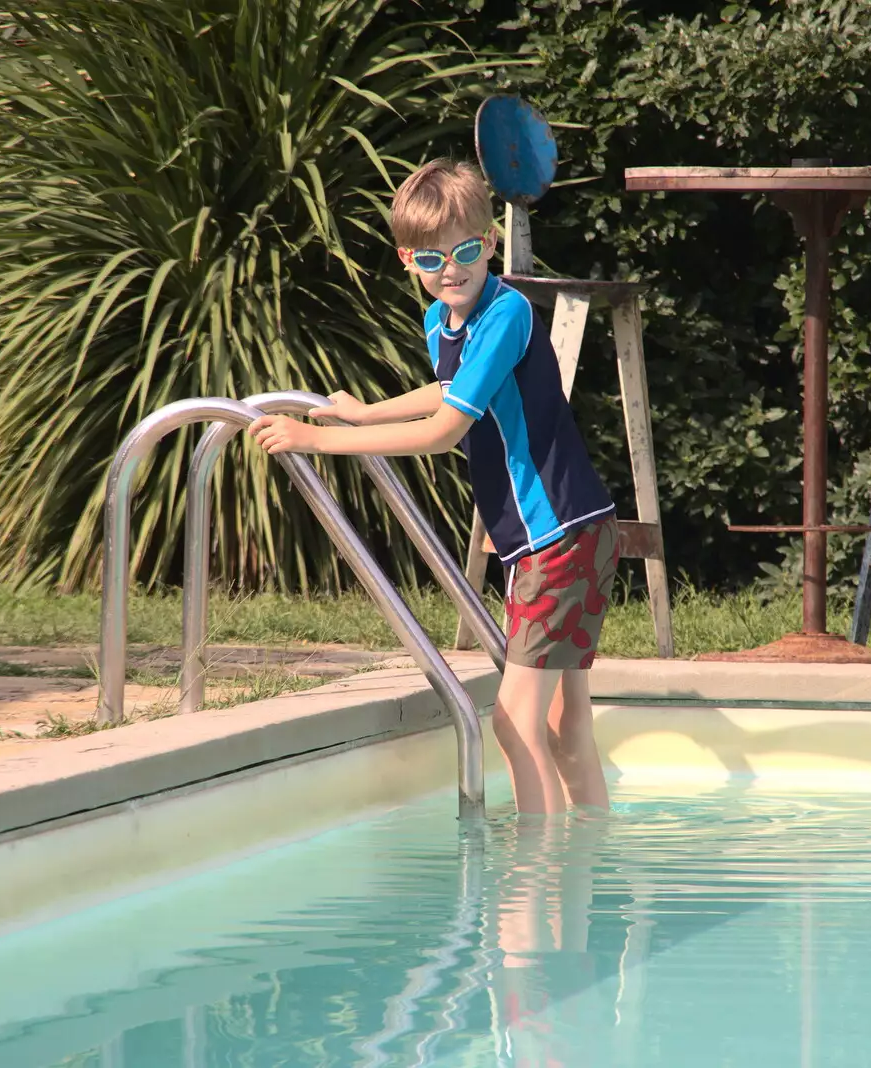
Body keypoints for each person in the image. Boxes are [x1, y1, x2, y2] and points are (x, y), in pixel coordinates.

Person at [249, 157, 619, 816]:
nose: (451, 268)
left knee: (513, 722)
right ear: (406, 260)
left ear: (491, 246)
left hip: (558, 538)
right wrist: (363, 411)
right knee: (564, 727)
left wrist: (315, 440)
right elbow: (451, 388)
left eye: (466, 251)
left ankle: (532, 888)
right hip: (565, 534)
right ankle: (577, 876)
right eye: (431, 259)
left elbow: (444, 430)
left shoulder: (506, 314)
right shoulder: (443, 322)